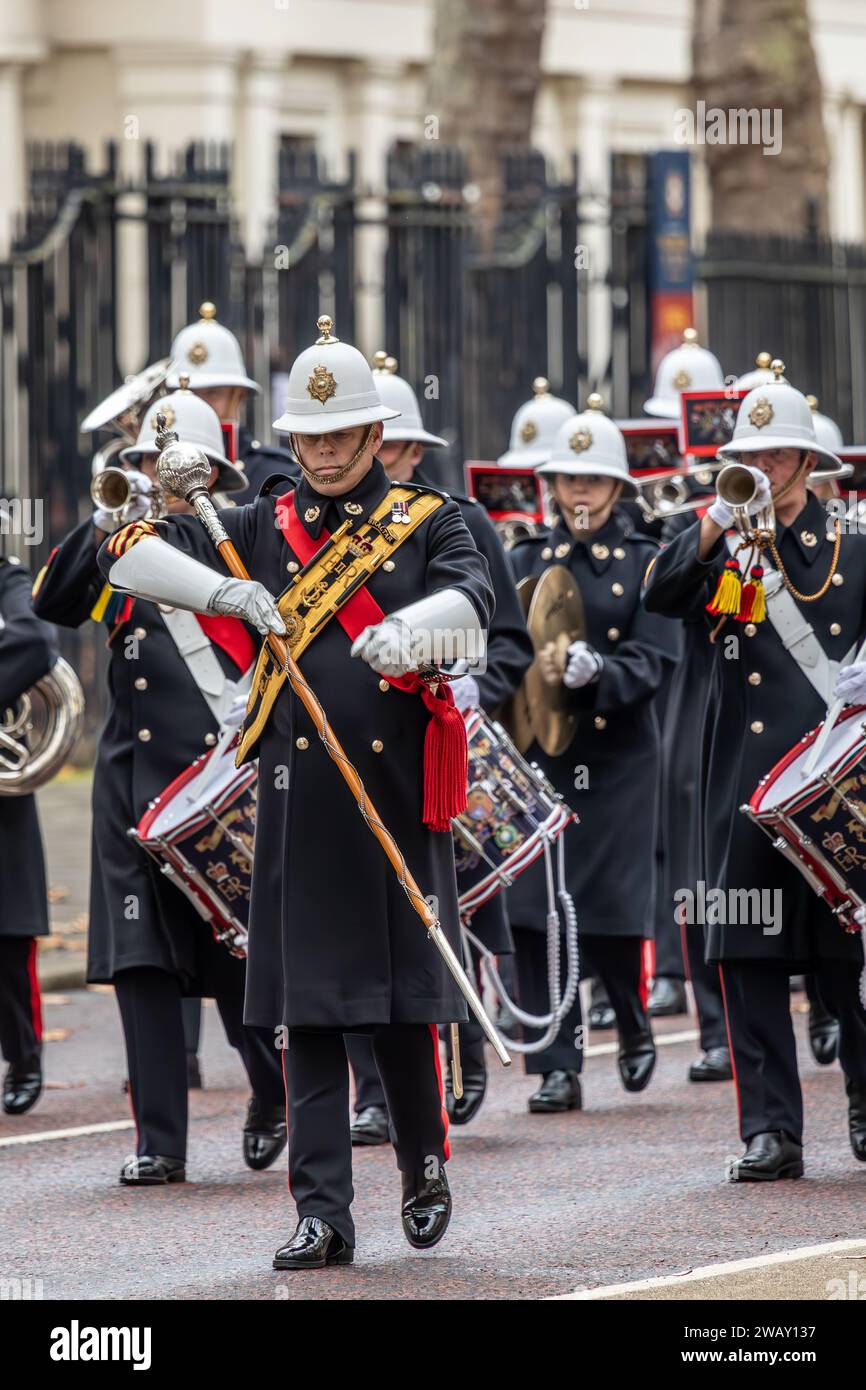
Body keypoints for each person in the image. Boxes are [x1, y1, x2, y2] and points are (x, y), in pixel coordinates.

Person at [98, 315, 494, 1268]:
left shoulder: (432, 520)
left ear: (373, 437)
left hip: (393, 792)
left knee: (401, 1006)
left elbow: (475, 608)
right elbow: (129, 549)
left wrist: (414, 636)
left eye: (338, 435)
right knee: (306, 1013)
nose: (320, 452)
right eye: (306, 437)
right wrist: (222, 593)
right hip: (298, 799)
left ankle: (424, 1160)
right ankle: (324, 1212)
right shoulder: (255, 529)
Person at [32, 386, 287, 1183]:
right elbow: (53, 601)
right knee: (141, 959)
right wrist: (107, 517)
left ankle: (275, 1091)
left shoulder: (232, 542)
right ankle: (159, 1142)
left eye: (179, 469)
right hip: (130, 782)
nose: (161, 479)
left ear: (213, 474)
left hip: (214, 771)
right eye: (148, 463)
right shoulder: (118, 539)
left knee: (234, 952)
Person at [644, 372, 866, 1179]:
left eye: (778, 454)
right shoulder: (718, 546)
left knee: (848, 955)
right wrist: (712, 517)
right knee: (748, 956)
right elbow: (659, 594)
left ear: (808, 463)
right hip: (744, 784)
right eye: (750, 454)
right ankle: (769, 1131)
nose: (764, 468)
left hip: (832, 777)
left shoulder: (853, 543)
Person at [343, 353, 533, 1137]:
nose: (369, 460)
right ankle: (372, 1093)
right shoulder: (326, 531)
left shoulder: (460, 519)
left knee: (440, 908)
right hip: (354, 741)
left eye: (382, 446)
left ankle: (460, 1047)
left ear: (410, 450)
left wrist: (469, 689)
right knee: (351, 915)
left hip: (439, 743)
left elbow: (510, 641)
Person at [505, 394, 679, 1112]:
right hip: (539, 760)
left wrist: (602, 674)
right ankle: (556, 1062)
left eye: (592, 480)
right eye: (568, 480)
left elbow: (658, 656)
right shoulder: (521, 555)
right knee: (537, 910)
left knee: (603, 912)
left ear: (616, 488)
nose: (579, 492)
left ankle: (633, 1024)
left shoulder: (644, 563)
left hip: (615, 760)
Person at [0, 551, 55, 1115]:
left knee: (8, 944)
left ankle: (23, 1055)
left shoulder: (5, 577)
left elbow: (36, 645)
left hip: (1, 793)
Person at [167, 301, 299, 498]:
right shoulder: (151, 472)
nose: (198, 405)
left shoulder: (279, 477)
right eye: (189, 393)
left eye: (213, 393)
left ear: (239, 397)